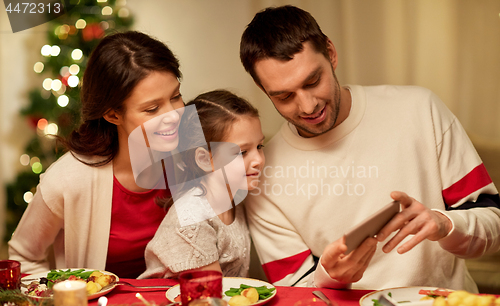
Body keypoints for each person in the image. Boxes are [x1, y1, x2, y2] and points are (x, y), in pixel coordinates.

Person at [240, 5, 500, 291]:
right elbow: (295, 294)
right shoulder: (262, 177)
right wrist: (330, 276)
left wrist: (444, 225)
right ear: (264, 90)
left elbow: (494, 225)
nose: (308, 105)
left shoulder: (419, 109)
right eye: (284, 96)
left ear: (331, 53)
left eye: (313, 81)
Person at [8, 31, 185, 278]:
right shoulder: (67, 179)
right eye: (152, 108)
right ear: (113, 115)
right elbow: (22, 258)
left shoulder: (196, 157)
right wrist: (68, 297)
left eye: (176, 96)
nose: (174, 116)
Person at [139, 89, 265, 279]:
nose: (258, 160)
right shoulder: (193, 220)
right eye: (242, 152)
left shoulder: (234, 201)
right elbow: (210, 295)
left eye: (259, 147)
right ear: (205, 159)